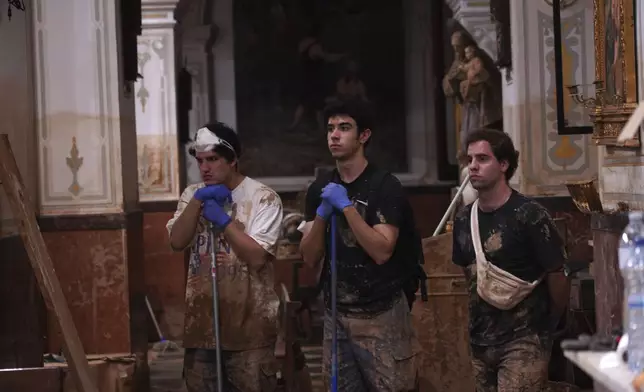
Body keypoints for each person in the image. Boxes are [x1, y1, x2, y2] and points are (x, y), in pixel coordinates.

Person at [298, 101, 419, 391]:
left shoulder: (384, 186)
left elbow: (381, 251)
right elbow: (310, 257)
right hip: (337, 313)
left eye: (344, 128)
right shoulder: (320, 188)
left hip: (382, 311)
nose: (334, 136)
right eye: (330, 129)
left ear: (364, 136)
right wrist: (321, 215)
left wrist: (347, 208)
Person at [166, 122, 283, 392]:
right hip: (201, 329)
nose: (205, 168)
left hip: (249, 332)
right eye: (200, 161)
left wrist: (223, 221)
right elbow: (176, 242)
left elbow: (256, 257)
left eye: (213, 160)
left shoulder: (263, 198)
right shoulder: (191, 195)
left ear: (233, 161)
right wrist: (197, 202)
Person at [451, 128, 570, 391]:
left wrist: (549, 325)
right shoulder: (462, 219)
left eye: (482, 159)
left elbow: (557, 274)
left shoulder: (530, 215)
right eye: (469, 160)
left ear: (503, 164)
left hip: (525, 338)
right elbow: (468, 274)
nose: (473, 166)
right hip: (480, 339)